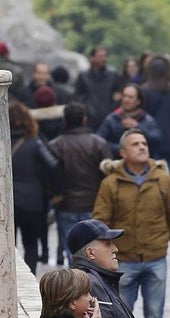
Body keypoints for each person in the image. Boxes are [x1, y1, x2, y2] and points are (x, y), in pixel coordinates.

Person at [93, 129, 170, 318]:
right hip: (123, 262)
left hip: (156, 259)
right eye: (136, 144)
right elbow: (100, 223)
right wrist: (100, 259)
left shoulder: (162, 179)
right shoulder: (111, 183)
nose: (143, 147)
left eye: (144, 143)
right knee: (122, 316)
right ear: (124, 152)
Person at [67, 219, 150, 318]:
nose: (115, 249)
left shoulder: (100, 280)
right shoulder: (89, 284)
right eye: (108, 244)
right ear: (90, 253)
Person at [48, 103, 113, 266]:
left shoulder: (56, 145)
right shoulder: (98, 143)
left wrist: (56, 194)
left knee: (73, 252)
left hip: (66, 204)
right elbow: (108, 174)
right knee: (96, 251)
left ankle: (78, 286)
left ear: (65, 120)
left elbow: (51, 175)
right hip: (94, 203)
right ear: (84, 120)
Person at [9, 100, 62, 273]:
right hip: (32, 200)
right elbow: (53, 164)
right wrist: (55, 191)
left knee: (9, 245)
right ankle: (30, 275)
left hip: (7, 200)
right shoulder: (34, 142)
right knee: (31, 243)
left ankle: (11, 277)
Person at [96, 83, 162, 155]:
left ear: (138, 101)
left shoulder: (147, 120)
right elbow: (99, 141)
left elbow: (156, 140)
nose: (126, 100)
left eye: (130, 97)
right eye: (124, 96)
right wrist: (122, 149)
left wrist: (138, 127)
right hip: (117, 162)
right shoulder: (112, 119)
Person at [73, 46, 117, 128]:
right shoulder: (83, 76)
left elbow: (117, 95)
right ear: (92, 58)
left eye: (105, 56)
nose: (103, 59)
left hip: (108, 115)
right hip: (89, 117)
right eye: (100, 56)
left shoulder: (112, 75)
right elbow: (78, 96)